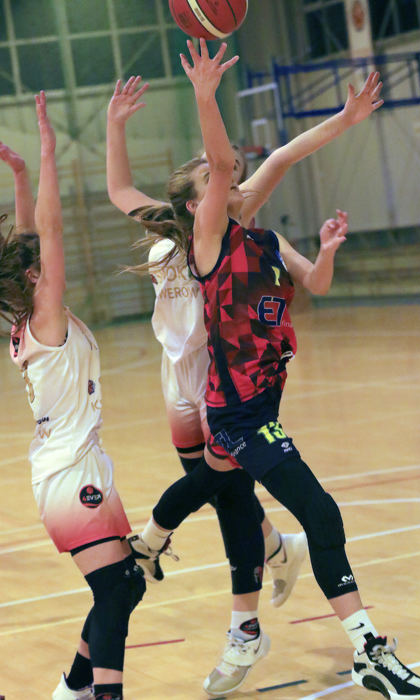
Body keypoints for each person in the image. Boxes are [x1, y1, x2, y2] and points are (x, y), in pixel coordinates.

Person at [123, 40, 420, 699]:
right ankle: (368, 649)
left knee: (214, 487)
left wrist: (344, 124)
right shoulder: (208, 244)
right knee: (319, 512)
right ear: (201, 202)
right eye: (216, 180)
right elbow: (221, 163)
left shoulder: (264, 240)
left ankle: (147, 541)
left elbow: (308, 253)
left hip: (258, 403)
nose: (230, 177)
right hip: (236, 412)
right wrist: (205, 96)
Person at [106, 75, 308, 608]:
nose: (221, 173)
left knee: (223, 485)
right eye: (209, 170)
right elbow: (120, 191)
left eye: (221, 170)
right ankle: (278, 548)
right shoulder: (171, 224)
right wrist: (115, 125)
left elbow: (277, 161)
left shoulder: (230, 215)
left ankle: (172, 550)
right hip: (175, 370)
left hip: (220, 368)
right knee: (210, 483)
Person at [0, 93, 145, 700]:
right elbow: (51, 231)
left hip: (78, 462)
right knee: (115, 588)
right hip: (67, 473)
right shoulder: (47, 317)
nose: (50, 260)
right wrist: (49, 150)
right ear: (35, 277)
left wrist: (21, 175)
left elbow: (31, 238)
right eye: (42, 263)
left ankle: (75, 687)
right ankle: (102, 694)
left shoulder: (32, 316)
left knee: (127, 585)